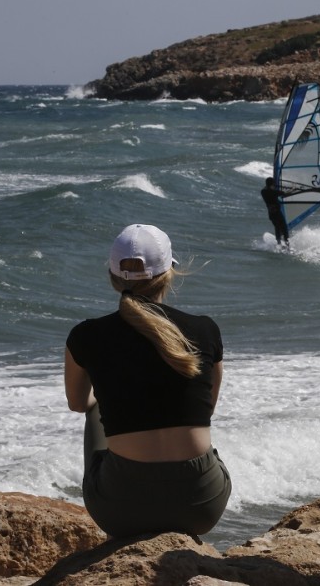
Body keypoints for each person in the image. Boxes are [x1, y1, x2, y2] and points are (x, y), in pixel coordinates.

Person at [65, 224, 231, 538]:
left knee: (93, 408)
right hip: (201, 506)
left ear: (113, 277)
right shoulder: (206, 330)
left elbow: (76, 403)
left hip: (120, 511)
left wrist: (108, 398)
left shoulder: (85, 335)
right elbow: (207, 408)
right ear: (169, 272)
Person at [261, 177, 289, 246]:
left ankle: (279, 243)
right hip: (277, 214)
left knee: (277, 228)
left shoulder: (263, 191)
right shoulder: (273, 192)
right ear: (272, 184)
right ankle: (287, 245)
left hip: (271, 214)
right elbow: (282, 193)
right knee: (284, 228)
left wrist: (273, 186)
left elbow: (271, 191)